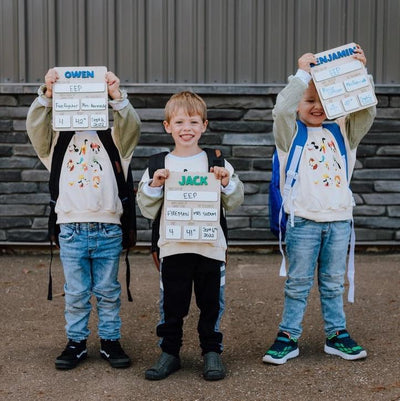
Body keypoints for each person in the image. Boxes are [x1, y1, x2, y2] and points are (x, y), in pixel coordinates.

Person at [263, 45, 376, 365]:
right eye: (309, 100)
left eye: (323, 100)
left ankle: (337, 335)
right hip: (303, 221)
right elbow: (282, 109)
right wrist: (301, 76)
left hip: (339, 221)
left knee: (332, 282)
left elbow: (365, 110)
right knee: (298, 284)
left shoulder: (343, 132)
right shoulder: (289, 135)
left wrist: (358, 75)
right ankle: (288, 337)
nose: (317, 107)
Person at [26, 69, 141, 370]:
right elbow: (35, 127)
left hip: (108, 228)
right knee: (75, 293)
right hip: (71, 229)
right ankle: (76, 342)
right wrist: (47, 96)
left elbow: (132, 126)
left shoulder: (115, 140)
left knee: (108, 291)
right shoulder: (57, 142)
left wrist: (118, 97)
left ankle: (110, 340)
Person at [137, 91, 244, 381]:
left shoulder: (216, 160)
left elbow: (234, 201)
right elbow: (146, 209)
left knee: (211, 302)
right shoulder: (158, 164)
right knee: (172, 303)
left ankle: (211, 352)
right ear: (167, 126)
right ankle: (169, 352)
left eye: (194, 121)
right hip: (173, 247)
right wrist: (155, 185)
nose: (187, 128)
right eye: (180, 121)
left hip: (210, 246)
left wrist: (226, 183)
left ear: (204, 126)